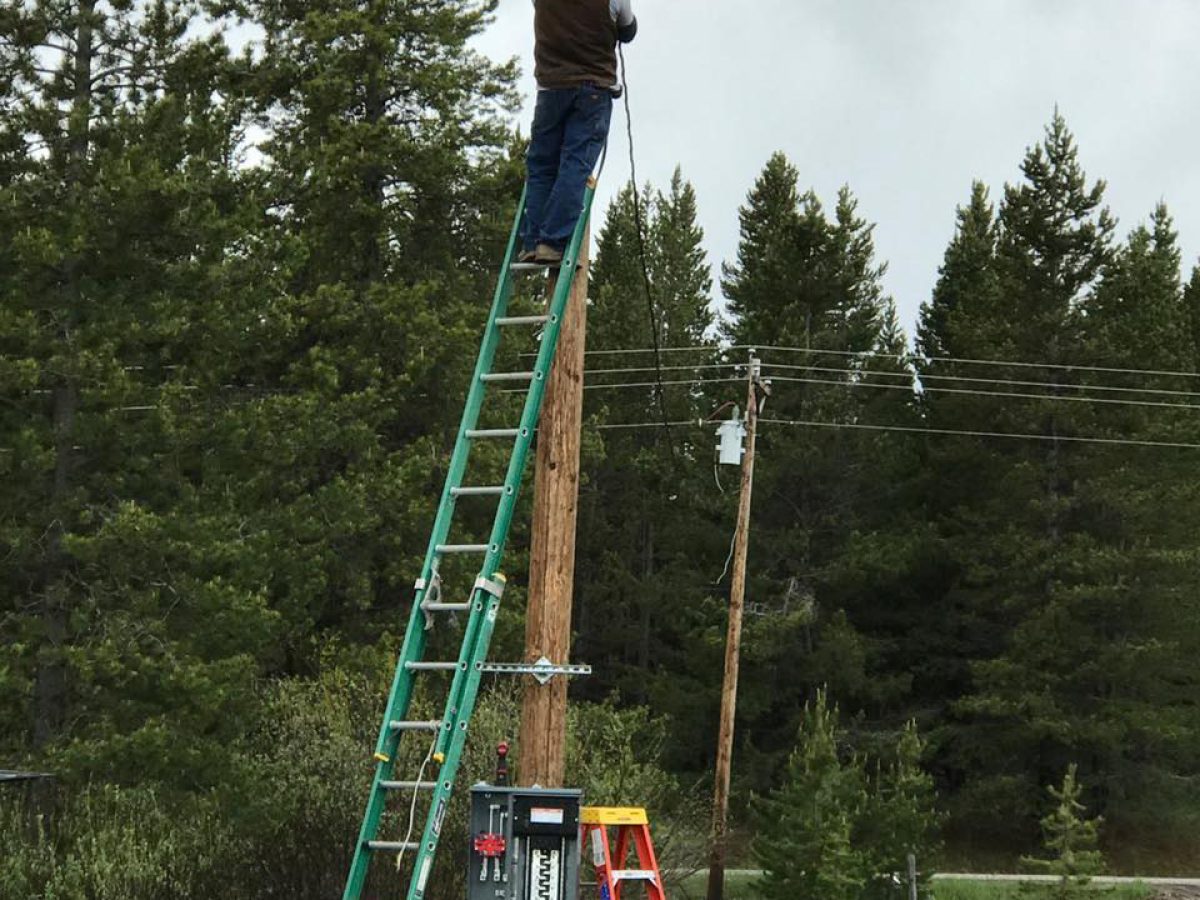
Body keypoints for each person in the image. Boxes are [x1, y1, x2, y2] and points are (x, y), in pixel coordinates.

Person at [520, 0, 638, 265]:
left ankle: (531, 241)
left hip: (550, 88)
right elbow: (628, 30)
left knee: (541, 165)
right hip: (593, 89)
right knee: (576, 164)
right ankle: (551, 242)